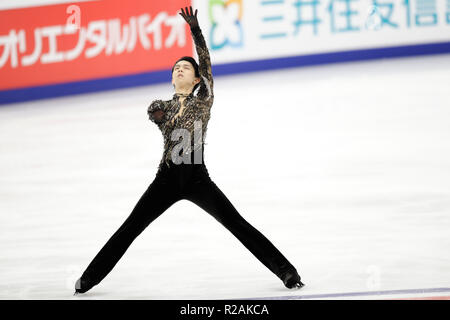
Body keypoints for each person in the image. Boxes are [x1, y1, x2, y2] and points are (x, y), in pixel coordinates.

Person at [74, 6, 304, 295]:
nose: (180, 68)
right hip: (166, 180)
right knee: (129, 228)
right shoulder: (163, 106)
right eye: (176, 68)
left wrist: (195, 31)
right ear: (172, 78)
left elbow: (205, 62)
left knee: (236, 223)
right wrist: (158, 114)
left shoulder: (204, 99)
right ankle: (87, 280)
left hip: (198, 179)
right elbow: (155, 115)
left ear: (197, 80)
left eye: (186, 67)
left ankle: (287, 272)